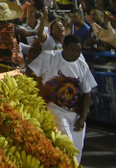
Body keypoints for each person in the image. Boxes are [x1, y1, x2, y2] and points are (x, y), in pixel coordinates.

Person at [27, 35, 96, 164]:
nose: (76, 53)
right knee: (66, 145)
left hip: (76, 113)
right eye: (72, 50)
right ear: (64, 47)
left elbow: (87, 93)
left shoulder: (82, 65)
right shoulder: (49, 57)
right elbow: (29, 70)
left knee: (77, 149)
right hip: (55, 110)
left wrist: (83, 118)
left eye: (78, 51)